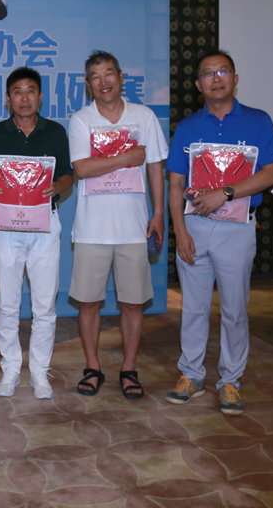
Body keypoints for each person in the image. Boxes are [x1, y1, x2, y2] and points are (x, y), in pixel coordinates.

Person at [165, 49, 273, 415]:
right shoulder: (188, 127)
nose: (216, 78)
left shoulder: (258, 121)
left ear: (235, 78)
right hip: (195, 226)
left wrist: (225, 192)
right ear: (198, 84)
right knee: (194, 308)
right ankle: (191, 375)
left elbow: (271, 173)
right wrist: (180, 231)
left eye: (223, 71)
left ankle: (230, 380)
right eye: (208, 73)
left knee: (234, 309)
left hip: (237, 229)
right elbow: (175, 184)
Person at [68, 51, 167, 398]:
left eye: (109, 73)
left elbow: (154, 166)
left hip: (134, 228)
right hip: (91, 229)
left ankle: (129, 368)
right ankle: (92, 367)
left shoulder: (144, 116)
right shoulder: (81, 120)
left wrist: (158, 213)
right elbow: (82, 168)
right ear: (88, 84)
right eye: (95, 76)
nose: (103, 82)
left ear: (121, 77)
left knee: (133, 303)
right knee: (88, 302)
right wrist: (127, 157)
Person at [0, 67, 74, 400]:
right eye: (17, 92)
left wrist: (58, 186)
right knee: (7, 304)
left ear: (40, 96)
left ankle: (39, 372)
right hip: (5, 227)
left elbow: (68, 174)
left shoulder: (55, 131)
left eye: (30, 90)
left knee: (44, 306)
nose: (24, 98)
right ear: (8, 98)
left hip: (45, 225)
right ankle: (10, 369)